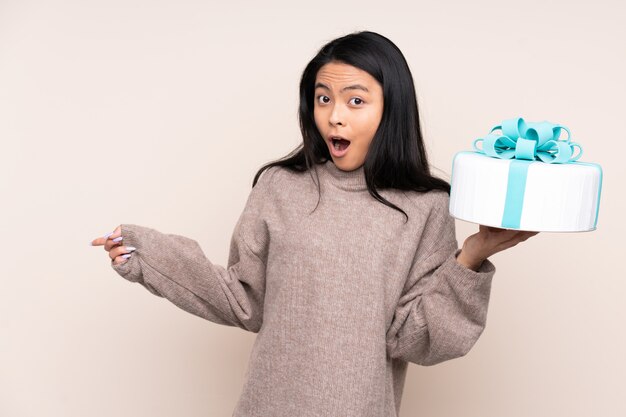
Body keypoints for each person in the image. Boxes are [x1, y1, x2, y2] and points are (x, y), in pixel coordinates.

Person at [90, 31, 537, 417]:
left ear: (391, 110)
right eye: (324, 98)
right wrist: (145, 254)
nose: (334, 116)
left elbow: (415, 339)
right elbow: (244, 299)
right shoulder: (279, 187)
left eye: (355, 101)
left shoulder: (425, 207)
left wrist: (473, 255)